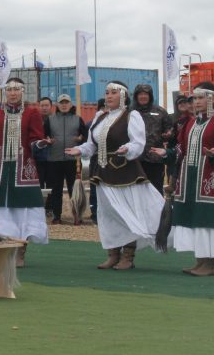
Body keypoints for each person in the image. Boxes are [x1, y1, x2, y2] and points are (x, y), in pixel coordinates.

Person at [151, 82, 214, 276]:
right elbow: (181, 151)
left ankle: (210, 265)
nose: (196, 102)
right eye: (194, 98)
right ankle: (200, 261)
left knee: (210, 221)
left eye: (201, 98)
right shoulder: (189, 123)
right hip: (189, 180)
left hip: (211, 180)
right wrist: (166, 153)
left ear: (212, 99)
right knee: (194, 219)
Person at [66, 81, 165, 270]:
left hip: (125, 172)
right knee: (107, 214)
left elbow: (138, 143)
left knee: (126, 213)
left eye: (113, 92)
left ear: (123, 96)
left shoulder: (131, 116)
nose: (109, 96)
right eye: (107, 92)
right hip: (102, 172)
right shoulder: (99, 116)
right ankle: (113, 254)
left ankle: (128, 256)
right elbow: (92, 145)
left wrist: (127, 148)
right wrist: (79, 150)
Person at [0, 77, 48, 267]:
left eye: (16, 89)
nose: (12, 93)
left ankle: (20, 251)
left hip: (23, 170)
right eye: (9, 89)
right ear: (5, 92)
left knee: (23, 212)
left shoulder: (32, 113)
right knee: (0, 211)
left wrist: (40, 143)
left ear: (23, 92)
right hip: (0, 171)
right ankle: (2, 250)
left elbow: (35, 138)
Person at [44, 94, 87, 224]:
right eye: (61, 103)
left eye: (66, 102)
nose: (64, 105)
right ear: (57, 105)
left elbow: (86, 137)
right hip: (54, 160)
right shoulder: (50, 120)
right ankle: (57, 216)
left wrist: (81, 140)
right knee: (56, 190)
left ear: (71, 105)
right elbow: (43, 135)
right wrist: (47, 140)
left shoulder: (78, 119)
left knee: (73, 189)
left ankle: (76, 216)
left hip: (72, 160)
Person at [132, 84, 172, 194]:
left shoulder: (160, 111)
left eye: (145, 94)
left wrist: (169, 134)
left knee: (155, 190)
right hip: (135, 160)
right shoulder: (130, 112)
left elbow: (170, 129)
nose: (143, 96)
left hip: (154, 159)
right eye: (140, 94)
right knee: (136, 191)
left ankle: (158, 211)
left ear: (150, 96)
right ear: (136, 96)